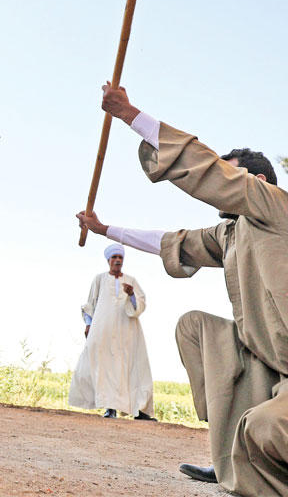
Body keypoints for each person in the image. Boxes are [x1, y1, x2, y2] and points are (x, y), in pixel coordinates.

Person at [76, 82, 288, 496]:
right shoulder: (231, 233)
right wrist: (105, 229)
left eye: (232, 174)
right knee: (195, 327)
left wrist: (130, 115)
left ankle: (253, 455)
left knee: (268, 429)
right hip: (275, 363)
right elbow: (171, 242)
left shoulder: (275, 204)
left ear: (258, 180)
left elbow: (205, 168)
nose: (217, 189)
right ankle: (231, 457)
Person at [68, 244, 154, 420]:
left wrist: (131, 295)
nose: (117, 260)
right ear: (108, 260)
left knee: (133, 367)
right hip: (103, 330)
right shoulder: (99, 279)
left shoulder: (131, 281)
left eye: (120, 258)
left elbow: (141, 304)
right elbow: (90, 303)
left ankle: (141, 410)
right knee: (105, 366)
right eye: (114, 257)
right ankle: (110, 408)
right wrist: (88, 324)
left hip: (127, 332)